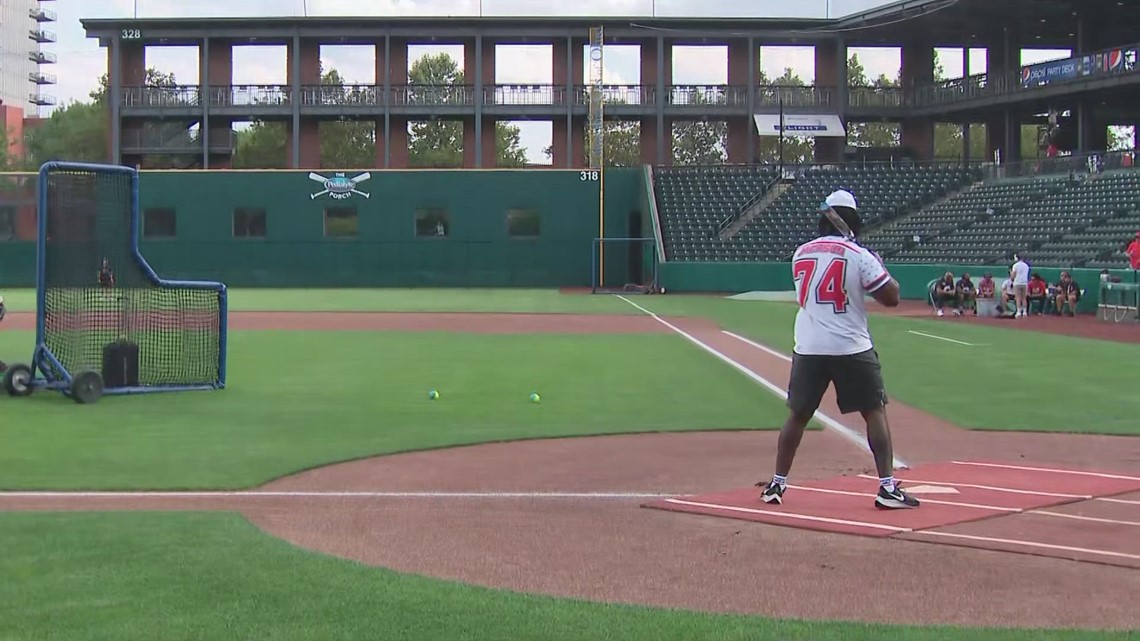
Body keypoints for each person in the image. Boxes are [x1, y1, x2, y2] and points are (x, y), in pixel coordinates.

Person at [758, 189, 919, 511]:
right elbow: (891, 297)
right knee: (874, 410)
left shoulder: (801, 252)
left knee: (798, 415)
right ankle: (887, 487)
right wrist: (879, 266)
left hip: (809, 346)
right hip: (850, 345)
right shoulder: (859, 255)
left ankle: (776, 483)